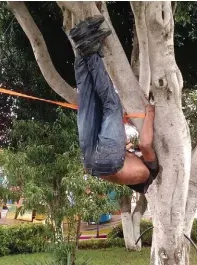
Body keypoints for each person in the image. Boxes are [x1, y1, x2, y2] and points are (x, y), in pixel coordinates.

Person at [69, 16, 159, 194]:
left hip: (109, 161)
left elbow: (146, 144)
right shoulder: (130, 175)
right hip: (90, 163)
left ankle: (88, 48)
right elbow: (128, 150)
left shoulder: (151, 171)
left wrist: (150, 114)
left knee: (113, 105)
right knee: (88, 101)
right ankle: (82, 46)